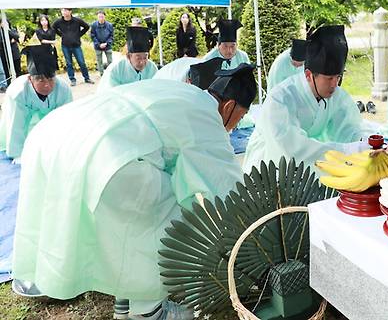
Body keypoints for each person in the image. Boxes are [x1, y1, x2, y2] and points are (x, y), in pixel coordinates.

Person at [12, 63, 257, 320]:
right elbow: (227, 187)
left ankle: (124, 300)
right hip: (105, 150)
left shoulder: (178, 91)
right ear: (229, 107)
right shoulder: (207, 116)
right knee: (165, 221)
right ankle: (147, 310)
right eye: (238, 119)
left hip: (56, 134)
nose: (233, 128)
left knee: (123, 227)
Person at [242, 25, 368, 174]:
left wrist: (364, 144)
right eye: (329, 78)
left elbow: (349, 129)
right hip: (269, 164)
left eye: (338, 77)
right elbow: (292, 148)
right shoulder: (280, 98)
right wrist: (348, 151)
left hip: (310, 162)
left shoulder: (337, 96)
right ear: (308, 75)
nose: (335, 84)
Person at [0, 45, 72, 161]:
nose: (47, 85)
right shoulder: (18, 92)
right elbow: (16, 126)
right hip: (22, 123)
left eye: (51, 79)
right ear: (30, 78)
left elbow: (66, 120)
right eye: (40, 80)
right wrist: (18, 155)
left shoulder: (63, 89)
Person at [97, 27, 158, 92]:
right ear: (129, 56)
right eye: (138, 58)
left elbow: (156, 89)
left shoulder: (152, 68)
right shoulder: (116, 69)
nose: (142, 62)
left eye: (145, 57)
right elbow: (112, 93)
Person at [52, 8, 93, 86]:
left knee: (81, 62)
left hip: (76, 45)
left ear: (70, 11)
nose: (64, 12)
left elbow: (87, 27)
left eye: (66, 10)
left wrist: (78, 35)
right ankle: (72, 79)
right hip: (65, 46)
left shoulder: (77, 20)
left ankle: (87, 78)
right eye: (62, 10)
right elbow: (53, 28)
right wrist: (62, 35)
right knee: (69, 63)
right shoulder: (58, 22)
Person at [90, 10, 114, 76]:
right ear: (97, 17)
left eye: (102, 16)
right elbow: (92, 36)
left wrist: (107, 43)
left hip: (107, 45)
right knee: (99, 61)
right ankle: (101, 74)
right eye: (99, 17)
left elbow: (111, 36)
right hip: (98, 46)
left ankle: (110, 74)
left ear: (105, 17)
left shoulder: (109, 25)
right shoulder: (94, 25)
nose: (101, 18)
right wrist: (98, 44)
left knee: (110, 61)